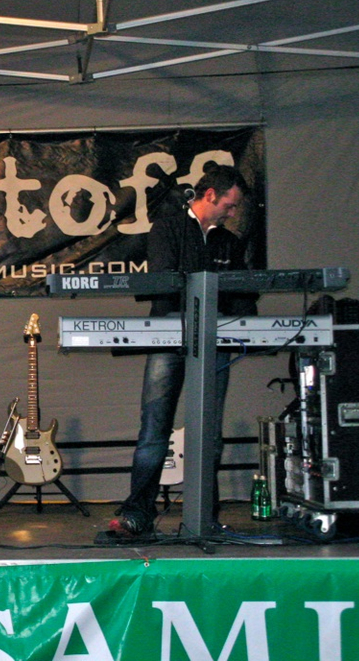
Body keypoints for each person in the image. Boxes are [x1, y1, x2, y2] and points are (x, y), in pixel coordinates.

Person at [109, 163, 257, 539]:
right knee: (154, 427)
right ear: (210, 195)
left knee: (210, 432)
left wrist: (248, 323)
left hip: (214, 342)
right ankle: (137, 514)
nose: (232, 212)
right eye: (230, 204)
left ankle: (205, 515)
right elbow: (164, 279)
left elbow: (243, 295)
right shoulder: (169, 228)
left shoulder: (229, 243)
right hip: (169, 338)